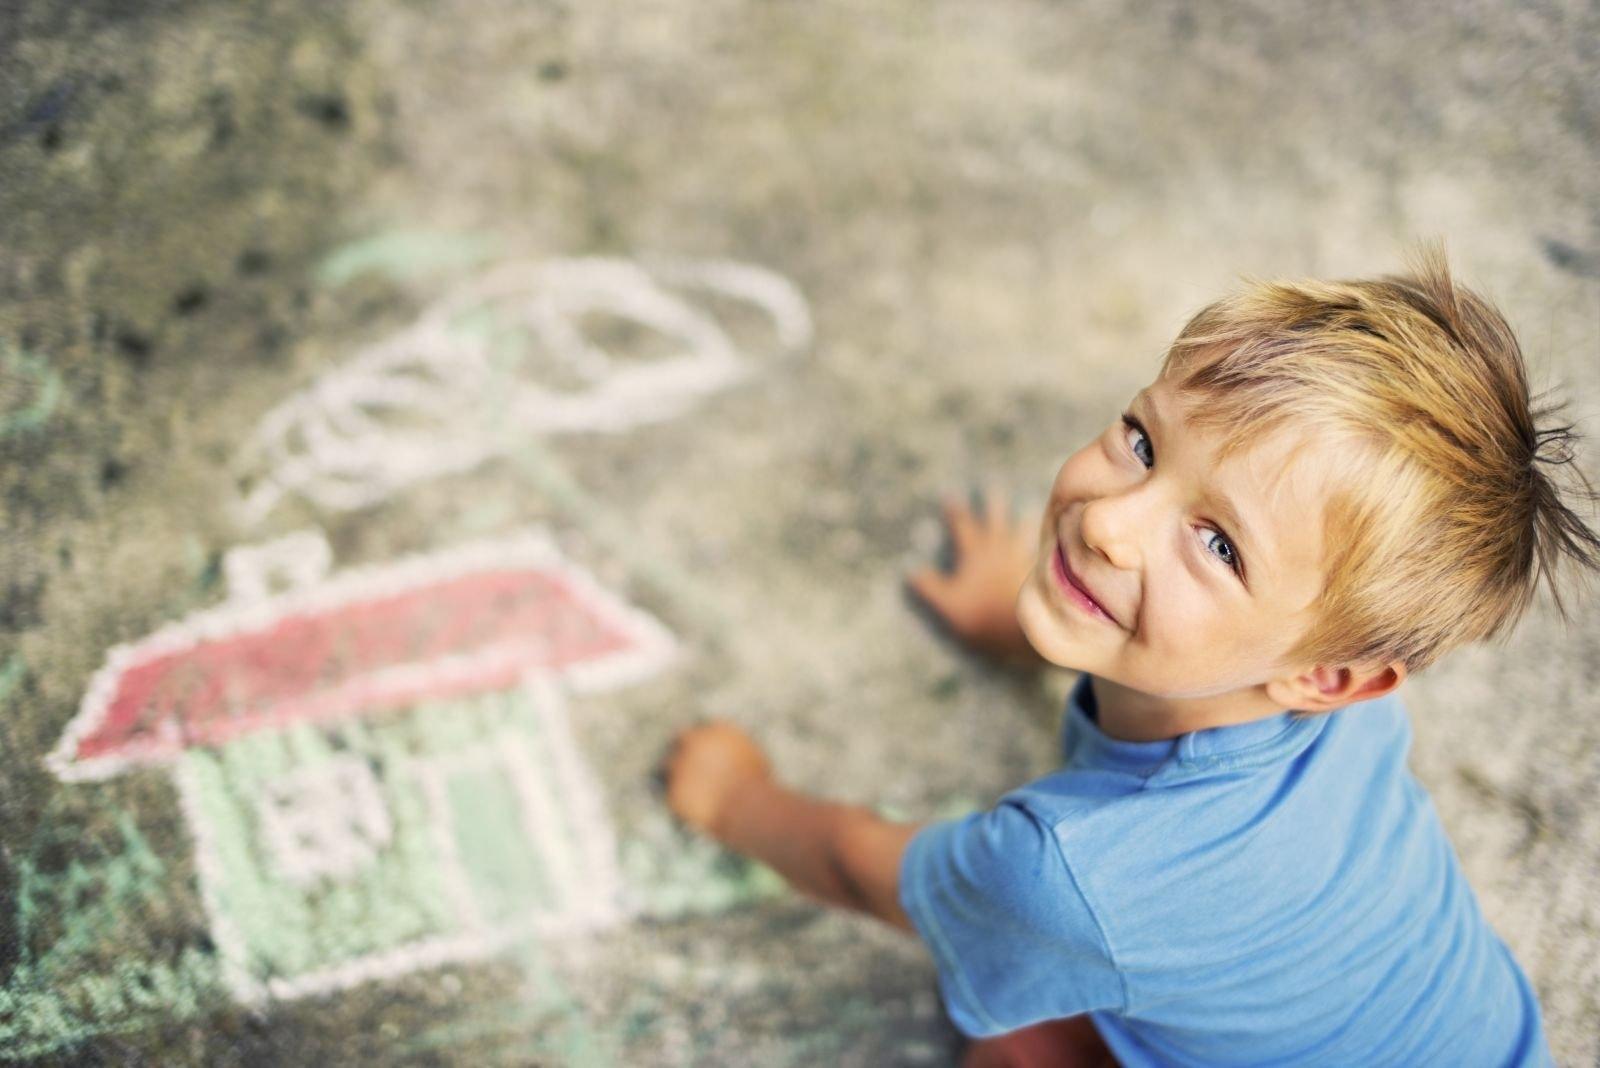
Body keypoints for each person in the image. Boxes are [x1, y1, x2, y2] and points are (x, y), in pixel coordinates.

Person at [662, 250, 1594, 1065]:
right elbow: (1183, 635)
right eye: (1144, 442)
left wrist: (733, 799)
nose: (1109, 522)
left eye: (1219, 545)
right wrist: (1034, 616)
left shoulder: (1072, 879)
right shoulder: (1342, 694)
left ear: (1328, 676)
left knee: (1016, 1044)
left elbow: (857, 869)